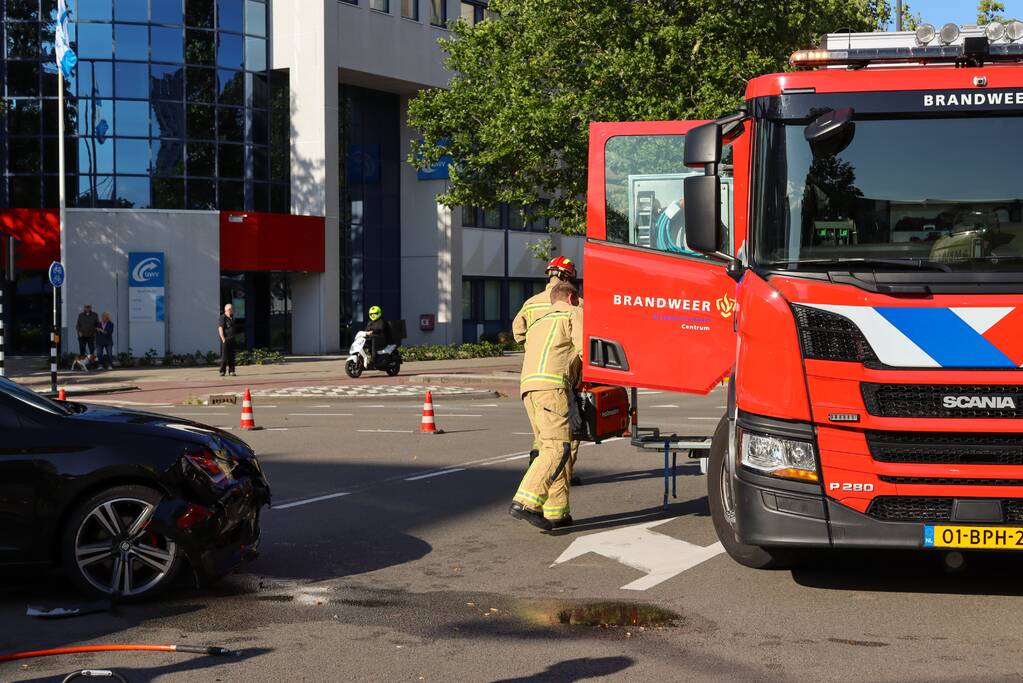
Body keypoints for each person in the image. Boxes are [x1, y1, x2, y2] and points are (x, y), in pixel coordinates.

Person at [509, 281, 583, 532]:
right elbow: (585, 347)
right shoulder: (573, 311)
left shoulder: (538, 318)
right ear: (571, 297)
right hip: (553, 387)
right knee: (559, 448)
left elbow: (518, 333)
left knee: (549, 445)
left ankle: (557, 511)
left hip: (529, 388)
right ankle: (526, 501)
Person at [512, 255, 584, 483]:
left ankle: (539, 459)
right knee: (567, 435)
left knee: (543, 434)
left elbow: (518, 334)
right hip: (560, 378)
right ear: (569, 277)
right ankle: (560, 478)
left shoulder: (530, 303)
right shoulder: (576, 304)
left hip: (531, 377)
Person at [75, 304, 100, 370]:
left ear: (91, 308)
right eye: (86, 307)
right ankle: (82, 365)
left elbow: (97, 325)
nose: (87, 308)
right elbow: (78, 325)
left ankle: (93, 365)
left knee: (92, 350)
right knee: (82, 351)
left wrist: (95, 333)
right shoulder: (80, 315)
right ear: (84, 308)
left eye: (89, 307)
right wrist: (79, 332)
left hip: (91, 335)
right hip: (82, 336)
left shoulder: (95, 315)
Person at [219, 303, 237, 377]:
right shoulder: (223, 317)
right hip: (226, 340)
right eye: (231, 309)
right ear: (227, 310)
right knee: (225, 357)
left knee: (232, 356)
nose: (232, 310)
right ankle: (222, 371)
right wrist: (223, 339)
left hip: (232, 340)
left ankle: (231, 371)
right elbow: (220, 328)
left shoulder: (232, 318)